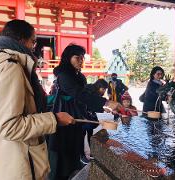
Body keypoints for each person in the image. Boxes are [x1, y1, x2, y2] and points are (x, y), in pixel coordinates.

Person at [0, 19, 74, 180]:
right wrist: (54, 119)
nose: (34, 47)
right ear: (21, 40)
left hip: (5, 157)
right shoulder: (10, 67)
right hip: (20, 161)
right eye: (33, 41)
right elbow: (9, 126)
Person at [48, 44, 121, 180]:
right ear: (68, 58)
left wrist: (101, 108)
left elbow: (84, 99)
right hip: (63, 116)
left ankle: (71, 171)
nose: (81, 60)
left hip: (77, 116)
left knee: (74, 148)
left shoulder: (80, 76)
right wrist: (106, 102)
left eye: (82, 57)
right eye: (77, 57)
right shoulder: (63, 75)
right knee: (62, 153)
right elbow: (79, 94)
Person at [80, 78, 109, 164]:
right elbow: (88, 104)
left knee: (90, 134)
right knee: (81, 136)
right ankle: (81, 156)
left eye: (105, 90)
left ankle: (92, 152)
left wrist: (104, 109)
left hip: (90, 117)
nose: (104, 91)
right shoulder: (90, 92)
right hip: (83, 117)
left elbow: (96, 105)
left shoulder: (95, 93)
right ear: (99, 86)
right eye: (103, 89)